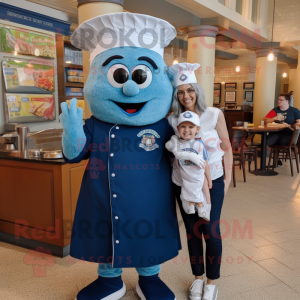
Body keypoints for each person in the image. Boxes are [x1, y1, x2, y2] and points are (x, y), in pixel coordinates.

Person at [60, 12, 181, 300]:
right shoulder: (96, 125)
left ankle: (150, 278)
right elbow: (73, 154)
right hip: (104, 195)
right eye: (119, 76)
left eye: (141, 76)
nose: (130, 87)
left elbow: (186, 148)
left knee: (149, 234)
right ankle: (109, 280)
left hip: (152, 197)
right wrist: (73, 129)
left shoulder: (164, 125)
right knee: (106, 234)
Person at [167, 63, 232, 300]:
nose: (186, 96)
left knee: (211, 231)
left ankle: (212, 283)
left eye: (189, 90)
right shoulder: (173, 120)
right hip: (183, 184)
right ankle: (197, 279)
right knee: (193, 233)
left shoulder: (214, 114)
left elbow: (226, 146)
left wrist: (228, 177)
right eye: (180, 92)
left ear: (197, 90)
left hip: (212, 182)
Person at [165, 111, 212, 220]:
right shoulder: (176, 142)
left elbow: (205, 163)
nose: (186, 130)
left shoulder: (199, 144)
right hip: (182, 179)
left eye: (191, 127)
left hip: (197, 177)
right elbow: (171, 150)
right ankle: (190, 204)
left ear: (197, 129)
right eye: (183, 126)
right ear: (178, 128)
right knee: (187, 201)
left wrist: (209, 179)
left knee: (203, 190)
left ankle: (207, 207)